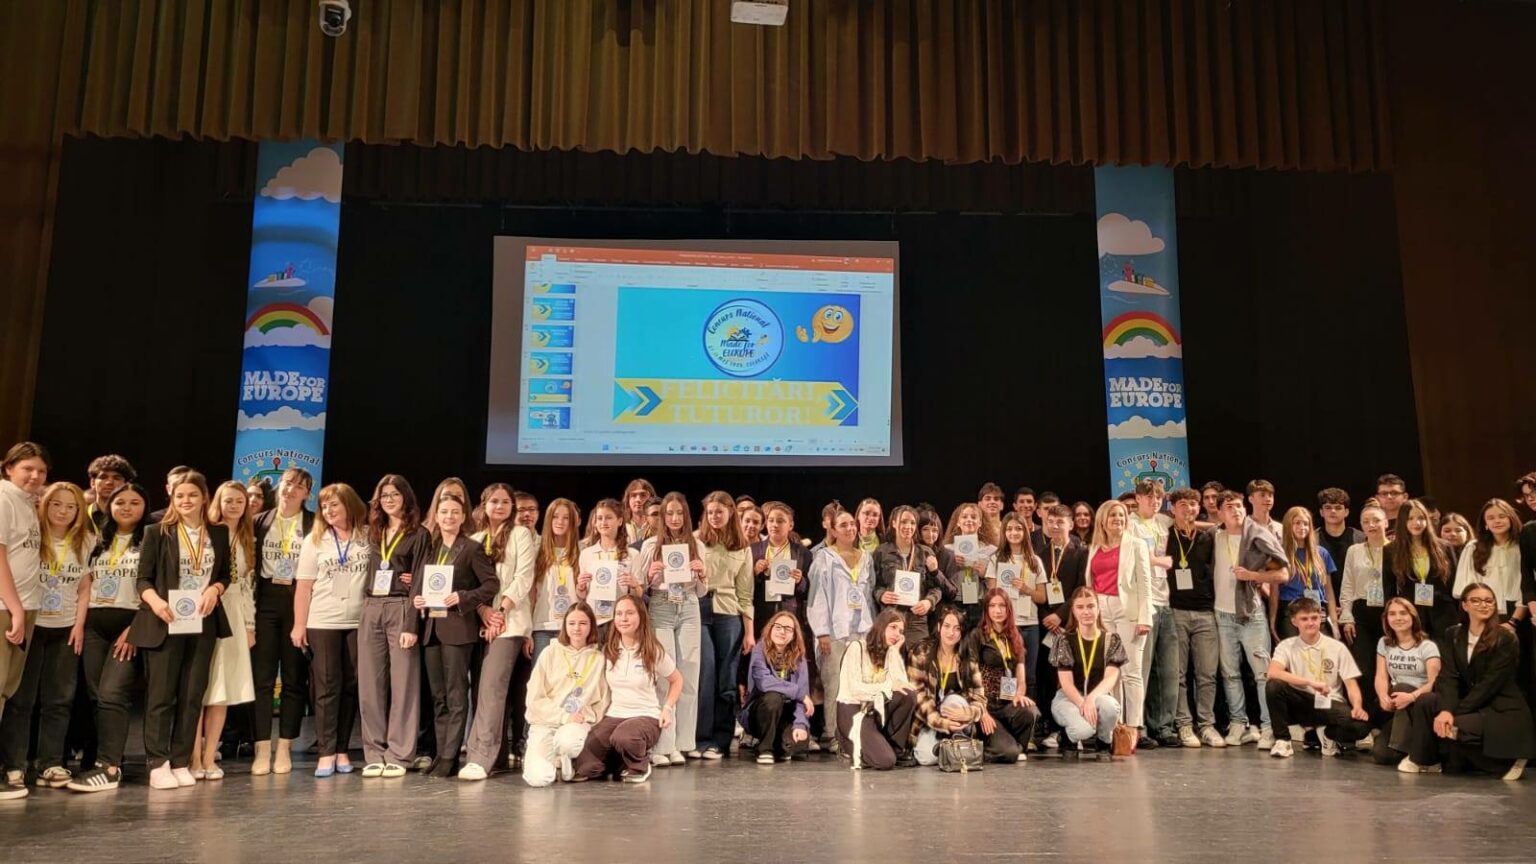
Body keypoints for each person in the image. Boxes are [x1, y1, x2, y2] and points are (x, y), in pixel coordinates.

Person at [128, 470, 231, 790]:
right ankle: (158, 763)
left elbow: (225, 574)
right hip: (166, 619)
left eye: (192, 495)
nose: (186, 501)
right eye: (180, 496)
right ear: (172, 498)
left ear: (204, 497)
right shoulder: (157, 532)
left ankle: (181, 760)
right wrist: (156, 602)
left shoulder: (218, 533)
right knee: (161, 696)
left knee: (191, 695)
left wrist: (215, 589)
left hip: (202, 621)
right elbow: (142, 579)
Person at [0, 481, 92, 789]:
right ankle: (14, 765)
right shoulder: (33, 536)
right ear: (44, 504)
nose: (63, 511)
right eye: (56, 504)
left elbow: (84, 587)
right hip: (31, 624)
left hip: (65, 628)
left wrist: (79, 625)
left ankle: (50, 764)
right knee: (21, 699)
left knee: (59, 699)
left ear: (79, 510)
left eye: (71, 506)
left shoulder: (85, 540)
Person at [405, 490, 494, 779]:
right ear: (436, 515)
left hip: (458, 629)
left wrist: (463, 597)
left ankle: (450, 757)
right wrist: (419, 600)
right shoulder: (429, 548)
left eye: (455, 512)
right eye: (444, 512)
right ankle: (442, 754)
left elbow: (491, 584)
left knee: (456, 696)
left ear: (463, 516)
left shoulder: (471, 548)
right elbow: (418, 586)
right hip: (431, 629)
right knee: (438, 697)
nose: (449, 517)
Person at [67, 484, 149, 792]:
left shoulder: (152, 539)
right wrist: (79, 624)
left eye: (134, 502)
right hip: (93, 627)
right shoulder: (95, 540)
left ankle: (109, 767)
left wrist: (137, 628)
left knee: (113, 693)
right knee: (96, 697)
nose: (126, 507)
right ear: (110, 506)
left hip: (129, 625)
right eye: (120, 502)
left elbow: (158, 586)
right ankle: (105, 760)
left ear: (145, 506)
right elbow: (84, 584)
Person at [293, 483, 372, 778]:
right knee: (327, 687)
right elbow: (303, 587)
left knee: (352, 685)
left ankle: (342, 749)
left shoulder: (368, 536)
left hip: (359, 621)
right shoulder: (315, 540)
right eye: (324, 506)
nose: (328, 511)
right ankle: (325, 752)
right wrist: (299, 625)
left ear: (349, 505)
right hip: (322, 621)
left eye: (334, 505)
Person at [461, 483, 537, 778]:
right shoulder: (475, 539)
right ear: (484, 505)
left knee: (492, 690)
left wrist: (500, 613)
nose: (500, 506)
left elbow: (523, 578)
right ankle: (496, 757)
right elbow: (469, 583)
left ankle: (481, 758)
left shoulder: (520, 535)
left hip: (510, 621)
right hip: (480, 621)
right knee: (481, 691)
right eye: (494, 501)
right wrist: (484, 611)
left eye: (506, 502)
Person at [357, 475, 429, 779]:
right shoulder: (373, 532)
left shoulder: (419, 534)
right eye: (384, 495)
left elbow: (420, 579)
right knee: (370, 685)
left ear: (406, 498)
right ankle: (374, 752)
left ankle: (399, 754)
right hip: (371, 606)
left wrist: (411, 623)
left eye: (394, 495)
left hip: (401, 607)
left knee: (404, 685)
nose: (389, 500)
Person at [1425, 584, 1534, 779]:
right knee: (1427, 705)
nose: (1483, 605)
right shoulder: (1453, 634)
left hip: (1501, 709)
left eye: (1489, 601)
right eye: (1476, 601)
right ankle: (1425, 760)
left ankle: (1506, 763)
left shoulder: (1505, 638)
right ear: (1464, 605)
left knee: (1453, 726)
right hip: (1474, 705)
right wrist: (1446, 710)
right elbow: (1448, 676)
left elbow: (1489, 685)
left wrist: (1453, 713)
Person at [575, 595, 682, 783]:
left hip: (645, 716)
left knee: (625, 736)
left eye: (629, 613)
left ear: (640, 616)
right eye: (619, 614)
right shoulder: (609, 650)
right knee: (586, 765)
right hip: (615, 715)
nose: (623, 619)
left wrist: (667, 708)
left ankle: (639, 766)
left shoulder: (652, 650)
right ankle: (620, 762)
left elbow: (677, 680)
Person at [1210, 490, 1288, 748]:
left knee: (1262, 674)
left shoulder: (1258, 535)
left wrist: (1254, 576)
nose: (1236, 511)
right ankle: (1238, 723)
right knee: (1230, 673)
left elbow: (1283, 574)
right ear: (1220, 513)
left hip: (1251, 614)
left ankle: (1268, 727)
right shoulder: (1215, 536)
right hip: (1222, 613)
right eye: (1229, 507)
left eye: (1239, 506)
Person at [249, 467, 314, 775]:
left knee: (293, 678)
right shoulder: (259, 521)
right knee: (261, 679)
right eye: (288, 483)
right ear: (279, 486)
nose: (291, 490)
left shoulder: (314, 523)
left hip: (298, 602)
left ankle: (285, 746)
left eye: (299, 486)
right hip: (265, 602)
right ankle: (262, 748)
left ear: (307, 494)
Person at [192, 481, 257, 780]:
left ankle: (209, 757)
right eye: (228, 500)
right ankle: (192, 757)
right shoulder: (205, 533)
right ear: (217, 502)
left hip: (234, 614)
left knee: (222, 688)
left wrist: (249, 625)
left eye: (239, 502)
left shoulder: (247, 538)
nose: (234, 506)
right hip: (204, 608)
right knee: (197, 688)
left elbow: (247, 586)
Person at [635, 491, 706, 763]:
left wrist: (702, 574)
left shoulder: (696, 544)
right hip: (661, 605)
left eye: (679, 513)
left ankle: (683, 742)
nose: (675, 518)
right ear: (662, 517)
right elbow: (642, 587)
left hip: (688, 605)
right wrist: (651, 574)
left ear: (686, 515)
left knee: (689, 673)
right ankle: (663, 745)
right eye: (669, 513)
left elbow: (702, 591)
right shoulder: (650, 545)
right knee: (665, 674)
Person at [1264, 597, 1371, 759]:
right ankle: (1283, 740)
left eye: (1314, 618)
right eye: (1304, 619)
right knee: (1274, 685)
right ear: (1294, 621)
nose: (1310, 623)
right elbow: (1273, 672)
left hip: (1329, 702)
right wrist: (1309, 682)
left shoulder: (1337, 647)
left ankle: (1327, 733)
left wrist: (1357, 706)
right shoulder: (1286, 646)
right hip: (1300, 701)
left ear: (1320, 617)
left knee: (1360, 726)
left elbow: (1351, 684)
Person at [1083, 499, 1152, 742]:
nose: (1118, 519)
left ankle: (1134, 726)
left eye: (1122, 515)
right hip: (1101, 611)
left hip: (1127, 611)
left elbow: (1145, 584)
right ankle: (1115, 726)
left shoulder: (1136, 544)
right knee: (1110, 672)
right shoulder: (1094, 547)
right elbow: (1091, 582)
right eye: (1113, 515)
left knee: (1131, 672)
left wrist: (1145, 618)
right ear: (1103, 520)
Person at [0, 442, 46, 800]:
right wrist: (14, 608)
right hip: (5, 607)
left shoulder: (26, 503)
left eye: (41, 470)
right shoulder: (3, 499)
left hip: (24, 606)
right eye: (27, 468)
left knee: (6, 690)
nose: (35, 475)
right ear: (8, 468)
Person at [808, 508, 875, 753]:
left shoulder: (866, 558)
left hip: (861, 631)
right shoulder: (824, 558)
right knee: (834, 684)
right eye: (843, 525)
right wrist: (822, 632)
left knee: (858, 683)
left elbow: (868, 595)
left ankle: (856, 734)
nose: (850, 528)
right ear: (833, 530)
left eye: (852, 524)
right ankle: (832, 734)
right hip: (834, 632)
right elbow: (816, 596)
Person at [521, 602, 608, 787]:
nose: (577, 628)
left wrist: (589, 721)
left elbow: (602, 701)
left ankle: (567, 758)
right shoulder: (549, 653)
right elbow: (534, 699)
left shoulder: (598, 659)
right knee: (538, 779)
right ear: (565, 626)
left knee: (567, 743)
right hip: (545, 722)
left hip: (577, 723)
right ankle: (552, 761)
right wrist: (563, 716)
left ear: (591, 626)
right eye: (572, 623)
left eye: (583, 623)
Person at [694, 491, 753, 760]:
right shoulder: (695, 541)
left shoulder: (742, 547)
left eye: (719, 512)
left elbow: (746, 595)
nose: (714, 517)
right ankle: (701, 738)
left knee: (726, 679)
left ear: (731, 512)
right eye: (710, 512)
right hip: (699, 610)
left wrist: (749, 632)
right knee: (705, 674)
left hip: (728, 614)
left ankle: (721, 739)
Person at [1165, 488, 1223, 748]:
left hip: (1205, 611)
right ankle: (1184, 724)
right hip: (1175, 610)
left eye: (1193, 504)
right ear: (1172, 508)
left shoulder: (1208, 537)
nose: (1189, 509)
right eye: (1183, 504)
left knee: (1207, 674)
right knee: (1178, 673)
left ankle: (1207, 724)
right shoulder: (1164, 535)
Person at [1128, 479, 1179, 748]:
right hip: (1143, 603)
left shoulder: (1163, 521)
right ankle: (1138, 727)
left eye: (1158, 497)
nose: (1154, 501)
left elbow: (1187, 522)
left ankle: (1163, 726)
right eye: (1149, 497)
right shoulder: (1130, 524)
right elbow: (1133, 555)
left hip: (1166, 601)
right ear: (1138, 498)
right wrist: (1159, 561)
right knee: (1141, 669)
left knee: (1168, 669)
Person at [1049, 587, 1127, 755]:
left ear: (1098, 609)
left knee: (1111, 708)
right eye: (1080, 607)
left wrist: (1091, 698)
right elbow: (1066, 683)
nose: (1086, 612)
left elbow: (1110, 678)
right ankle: (1067, 738)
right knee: (1084, 730)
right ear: (1073, 611)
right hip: (1069, 698)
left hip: (1097, 696)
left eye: (1090, 606)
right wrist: (1082, 703)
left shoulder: (1111, 640)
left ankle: (1104, 741)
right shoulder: (1064, 640)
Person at [835, 608, 916, 770]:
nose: (897, 634)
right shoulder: (857, 647)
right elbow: (855, 689)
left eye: (900, 631)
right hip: (853, 709)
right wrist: (888, 686)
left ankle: (893, 747)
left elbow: (901, 684)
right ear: (881, 626)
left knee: (908, 694)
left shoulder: (890, 652)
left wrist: (894, 652)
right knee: (885, 761)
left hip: (875, 709)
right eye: (893, 627)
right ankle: (846, 741)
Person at [1370, 598, 1442, 770]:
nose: (1398, 618)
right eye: (1392, 614)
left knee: (1401, 687)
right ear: (1386, 618)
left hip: (1421, 701)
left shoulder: (1427, 646)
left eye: (1403, 613)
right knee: (1382, 755)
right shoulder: (1384, 643)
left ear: (1412, 617)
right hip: (1398, 703)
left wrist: (1411, 696)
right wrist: (1382, 695)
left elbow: (1435, 682)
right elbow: (1381, 676)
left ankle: (1413, 751)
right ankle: (1409, 745)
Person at [906, 606, 983, 766]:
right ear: (939, 626)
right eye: (947, 626)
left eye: (956, 628)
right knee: (926, 758)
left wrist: (968, 714)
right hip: (928, 719)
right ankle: (954, 749)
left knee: (954, 700)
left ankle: (957, 741)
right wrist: (942, 723)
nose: (951, 633)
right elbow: (918, 696)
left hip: (957, 716)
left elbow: (979, 697)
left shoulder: (967, 656)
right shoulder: (921, 652)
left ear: (962, 632)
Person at [971, 590, 1040, 762]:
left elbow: (1021, 676)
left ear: (1008, 608)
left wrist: (1019, 695)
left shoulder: (1015, 636)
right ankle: (995, 748)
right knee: (1009, 753)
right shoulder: (977, 635)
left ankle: (1013, 746)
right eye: (992, 606)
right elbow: (971, 677)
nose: (997, 610)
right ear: (986, 610)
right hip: (987, 705)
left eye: (1002, 605)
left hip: (1007, 703)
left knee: (1030, 711)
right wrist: (981, 710)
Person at [741, 611, 813, 764]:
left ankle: (778, 743)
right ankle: (765, 749)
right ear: (770, 628)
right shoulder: (759, 649)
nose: (782, 632)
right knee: (773, 697)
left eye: (788, 629)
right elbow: (764, 682)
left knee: (798, 746)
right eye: (778, 627)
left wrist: (800, 724)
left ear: (794, 634)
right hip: (762, 710)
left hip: (786, 712)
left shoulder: (799, 656)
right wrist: (798, 693)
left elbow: (804, 692)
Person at [990, 513, 1046, 705]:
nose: (1014, 533)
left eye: (1018, 528)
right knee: (1007, 673)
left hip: (1030, 625)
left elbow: (1042, 597)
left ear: (1025, 531)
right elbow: (991, 595)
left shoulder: (1035, 561)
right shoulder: (996, 559)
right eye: (1010, 529)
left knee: (1029, 675)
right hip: (1005, 625)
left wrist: (1025, 589)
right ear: (1004, 532)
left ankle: (1030, 715)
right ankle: (1008, 714)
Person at [1387, 499, 1457, 640]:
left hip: (1444, 614)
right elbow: (1389, 589)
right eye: (1410, 518)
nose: (1417, 523)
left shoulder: (1444, 547)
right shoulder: (1390, 550)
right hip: (1412, 615)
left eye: (1421, 518)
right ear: (1402, 521)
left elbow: (1453, 583)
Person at [873, 505, 943, 646]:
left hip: (917, 620)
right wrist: (881, 595)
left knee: (919, 659)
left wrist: (928, 602)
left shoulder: (925, 553)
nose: (908, 526)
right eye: (903, 521)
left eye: (912, 523)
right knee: (892, 658)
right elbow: (874, 585)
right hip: (890, 619)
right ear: (894, 523)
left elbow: (936, 588)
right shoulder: (881, 552)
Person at [1272, 506, 1340, 640]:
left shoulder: (1321, 553)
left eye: (1306, 523)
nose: (1302, 527)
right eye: (1297, 523)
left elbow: (1329, 591)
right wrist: (1272, 622)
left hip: (1317, 609)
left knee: (1322, 650)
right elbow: (1274, 591)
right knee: (1295, 650)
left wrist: (1334, 623)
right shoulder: (1280, 554)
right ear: (1288, 525)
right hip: (1291, 610)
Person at [529, 498, 582, 660]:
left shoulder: (582, 551)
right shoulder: (537, 551)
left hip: (572, 628)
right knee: (541, 675)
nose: (560, 522)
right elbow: (531, 595)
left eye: (566, 518)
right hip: (542, 627)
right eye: (555, 516)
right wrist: (528, 631)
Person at [1453, 499, 1525, 619]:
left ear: (1511, 519)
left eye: (1502, 516)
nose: (1497, 521)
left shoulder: (1522, 546)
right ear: (1485, 523)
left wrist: (1515, 620)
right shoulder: (1473, 548)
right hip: (1484, 610)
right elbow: (1466, 587)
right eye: (1491, 518)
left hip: (1520, 611)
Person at [942, 502, 997, 628]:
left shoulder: (991, 550)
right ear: (958, 522)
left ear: (980, 523)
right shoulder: (947, 549)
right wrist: (952, 565)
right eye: (964, 516)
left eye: (973, 517)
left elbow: (997, 584)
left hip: (979, 602)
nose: (969, 520)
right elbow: (940, 579)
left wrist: (985, 574)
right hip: (954, 602)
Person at [1316, 488, 1364, 601]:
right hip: (1322, 602)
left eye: (1338, 508)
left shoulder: (1361, 538)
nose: (1333, 511)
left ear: (1346, 512)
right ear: (1321, 512)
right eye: (1328, 507)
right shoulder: (1312, 539)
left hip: (1355, 601)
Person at [84, 455, 135, 532]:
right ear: (93, 483)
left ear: (126, 484)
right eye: (103, 477)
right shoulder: (79, 517)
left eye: (116, 478)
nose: (109, 482)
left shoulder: (137, 518)